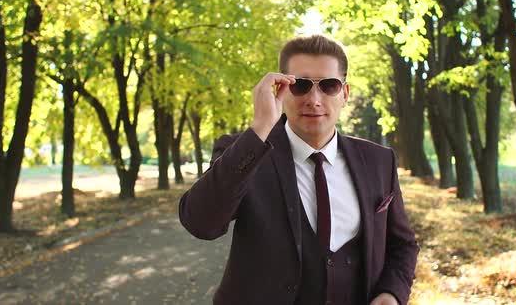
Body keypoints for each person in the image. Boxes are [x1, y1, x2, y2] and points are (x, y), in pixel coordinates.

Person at [179, 34, 419, 305]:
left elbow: (402, 246)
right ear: (281, 90)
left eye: (328, 86)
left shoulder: (379, 160)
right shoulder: (245, 151)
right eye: (301, 85)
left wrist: (391, 294)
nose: (314, 100)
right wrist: (260, 128)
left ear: (345, 94)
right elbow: (200, 223)